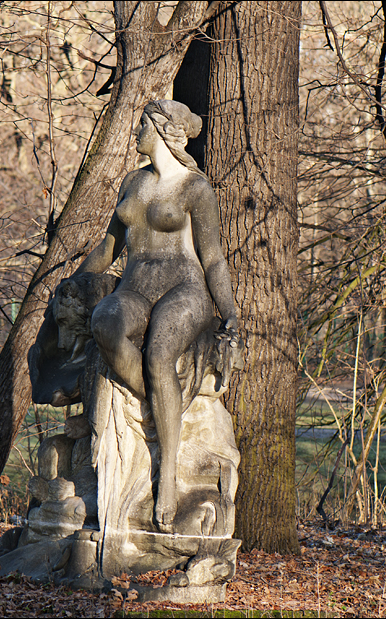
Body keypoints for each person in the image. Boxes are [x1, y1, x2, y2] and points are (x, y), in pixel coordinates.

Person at [73, 100, 238, 533]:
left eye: (143, 124)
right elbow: (107, 249)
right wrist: (72, 284)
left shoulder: (195, 190)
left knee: (160, 352)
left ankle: (166, 477)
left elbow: (214, 258)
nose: (136, 132)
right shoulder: (133, 181)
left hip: (185, 289)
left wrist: (231, 313)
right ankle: (155, 398)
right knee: (104, 326)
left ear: (163, 129)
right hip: (135, 287)